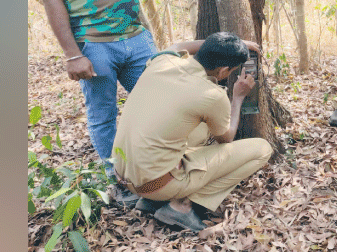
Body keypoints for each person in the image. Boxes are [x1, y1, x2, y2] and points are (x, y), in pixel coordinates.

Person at [31, 0, 205, 206]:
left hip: (137, 38)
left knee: (159, 103)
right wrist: (71, 54)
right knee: (103, 114)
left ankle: (157, 167)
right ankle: (118, 181)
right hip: (93, 45)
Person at [112, 32, 273, 232]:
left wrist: (234, 44)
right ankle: (181, 205)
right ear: (224, 70)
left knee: (199, 123)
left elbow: (179, 44)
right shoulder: (212, 95)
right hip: (157, 184)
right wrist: (238, 97)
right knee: (263, 148)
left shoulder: (163, 61)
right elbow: (227, 137)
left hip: (124, 176)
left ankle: (152, 200)